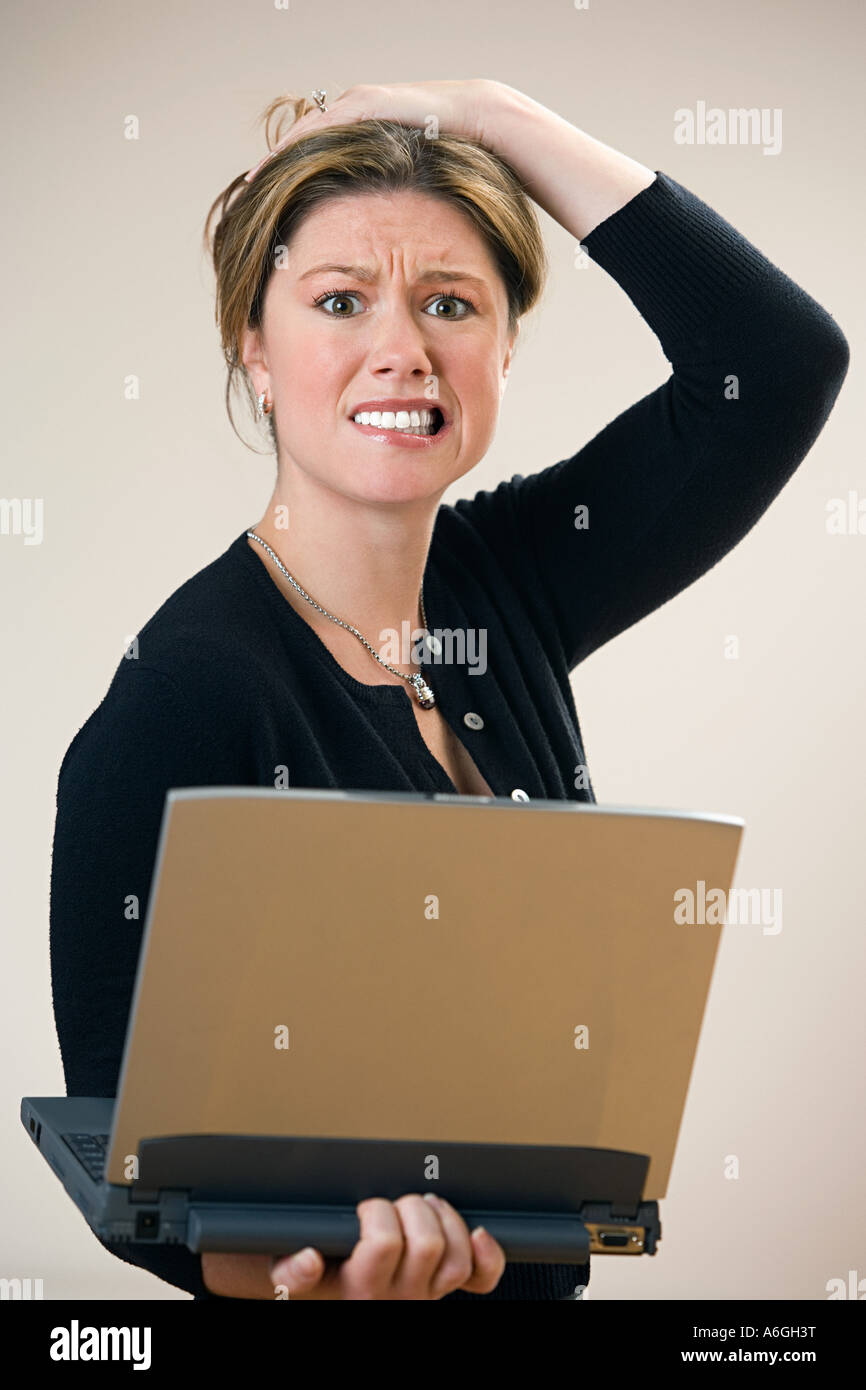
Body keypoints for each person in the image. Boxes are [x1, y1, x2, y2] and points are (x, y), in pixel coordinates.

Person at [49, 80, 849, 1301]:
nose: (400, 349)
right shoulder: (186, 693)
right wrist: (301, 1279)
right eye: (337, 301)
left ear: (505, 348)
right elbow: (134, 1162)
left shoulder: (506, 584)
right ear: (253, 351)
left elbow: (776, 363)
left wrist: (491, 115)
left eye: (448, 303)